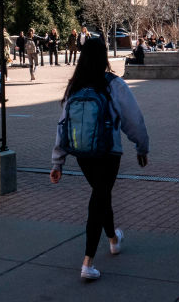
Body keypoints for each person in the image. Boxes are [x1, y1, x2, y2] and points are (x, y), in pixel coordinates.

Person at [50, 37, 149, 281]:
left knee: (101, 194)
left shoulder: (76, 85)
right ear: (104, 56)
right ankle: (88, 262)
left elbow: (62, 125)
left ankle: (114, 239)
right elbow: (133, 119)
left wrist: (58, 161)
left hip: (83, 153)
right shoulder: (113, 84)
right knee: (99, 198)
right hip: (108, 152)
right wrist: (141, 146)